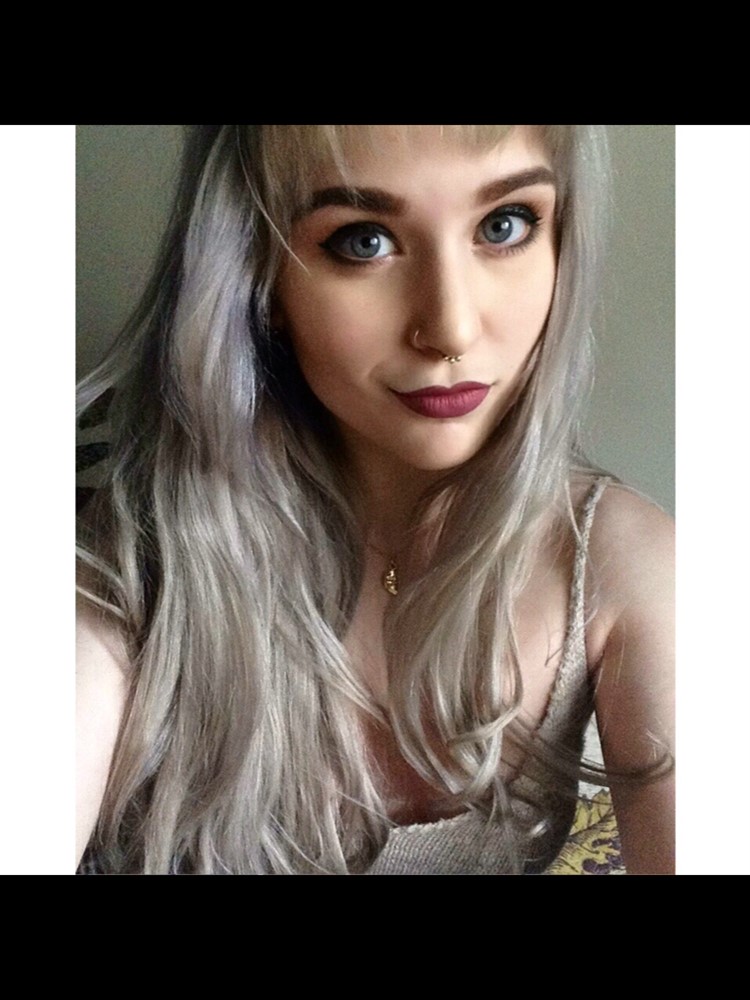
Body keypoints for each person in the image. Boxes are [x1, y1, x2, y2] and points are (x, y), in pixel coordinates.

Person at [76, 125, 674, 875]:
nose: (451, 327)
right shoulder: (134, 562)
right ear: (257, 270)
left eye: (504, 225)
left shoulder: (625, 565)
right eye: (363, 241)